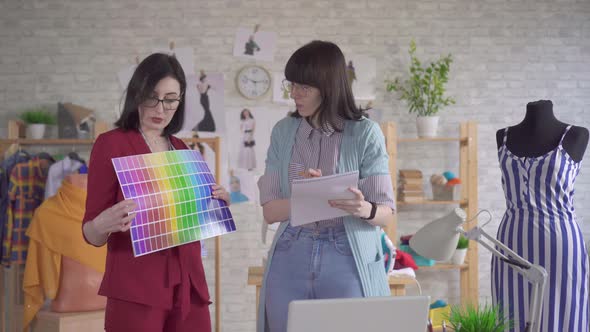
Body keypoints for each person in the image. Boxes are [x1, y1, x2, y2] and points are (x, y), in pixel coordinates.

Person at [82, 53, 230, 332]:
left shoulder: (182, 148)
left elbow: (189, 220)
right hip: (136, 289)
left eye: (170, 99)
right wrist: (102, 224)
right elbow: (91, 234)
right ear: (137, 93)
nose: (160, 108)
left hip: (189, 285)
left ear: (181, 100)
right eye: (152, 96)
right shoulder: (110, 144)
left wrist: (216, 205)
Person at [256, 40, 395, 332]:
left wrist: (363, 208)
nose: (294, 94)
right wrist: (307, 196)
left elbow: (386, 213)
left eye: (304, 87)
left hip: (346, 253)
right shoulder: (283, 132)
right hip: (291, 251)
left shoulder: (365, 133)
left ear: (328, 86)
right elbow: (270, 210)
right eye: (291, 85)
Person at [492, 100, 589, 332]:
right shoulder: (503, 137)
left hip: (561, 247)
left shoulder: (576, 135)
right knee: (511, 316)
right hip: (512, 243)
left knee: (564, 317)